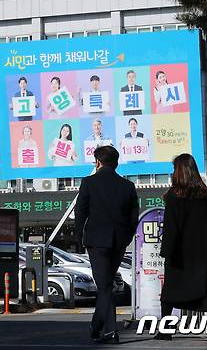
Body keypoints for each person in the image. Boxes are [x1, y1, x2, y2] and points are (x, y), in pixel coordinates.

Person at [155, 154, 207, 344]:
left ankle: (165, 330)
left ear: (179, 172)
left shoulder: (173, 196)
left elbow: (171, 228)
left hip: (179, 253)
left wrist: (166, 252)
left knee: (169, 293)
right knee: (206, 291)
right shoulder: (203, 196)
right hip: (201, 251)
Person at [75, 146, 139, 344]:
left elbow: (80, 213)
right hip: (118, 242)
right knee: (106, 285)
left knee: (104, 286)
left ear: (98, 162)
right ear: (116, 162)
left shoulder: (88, 183)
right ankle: (96, 326)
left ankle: (110, 330)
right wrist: (126, 238)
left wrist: (80, 237)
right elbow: (133, 218)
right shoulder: (127, 186)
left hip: (96, 242)